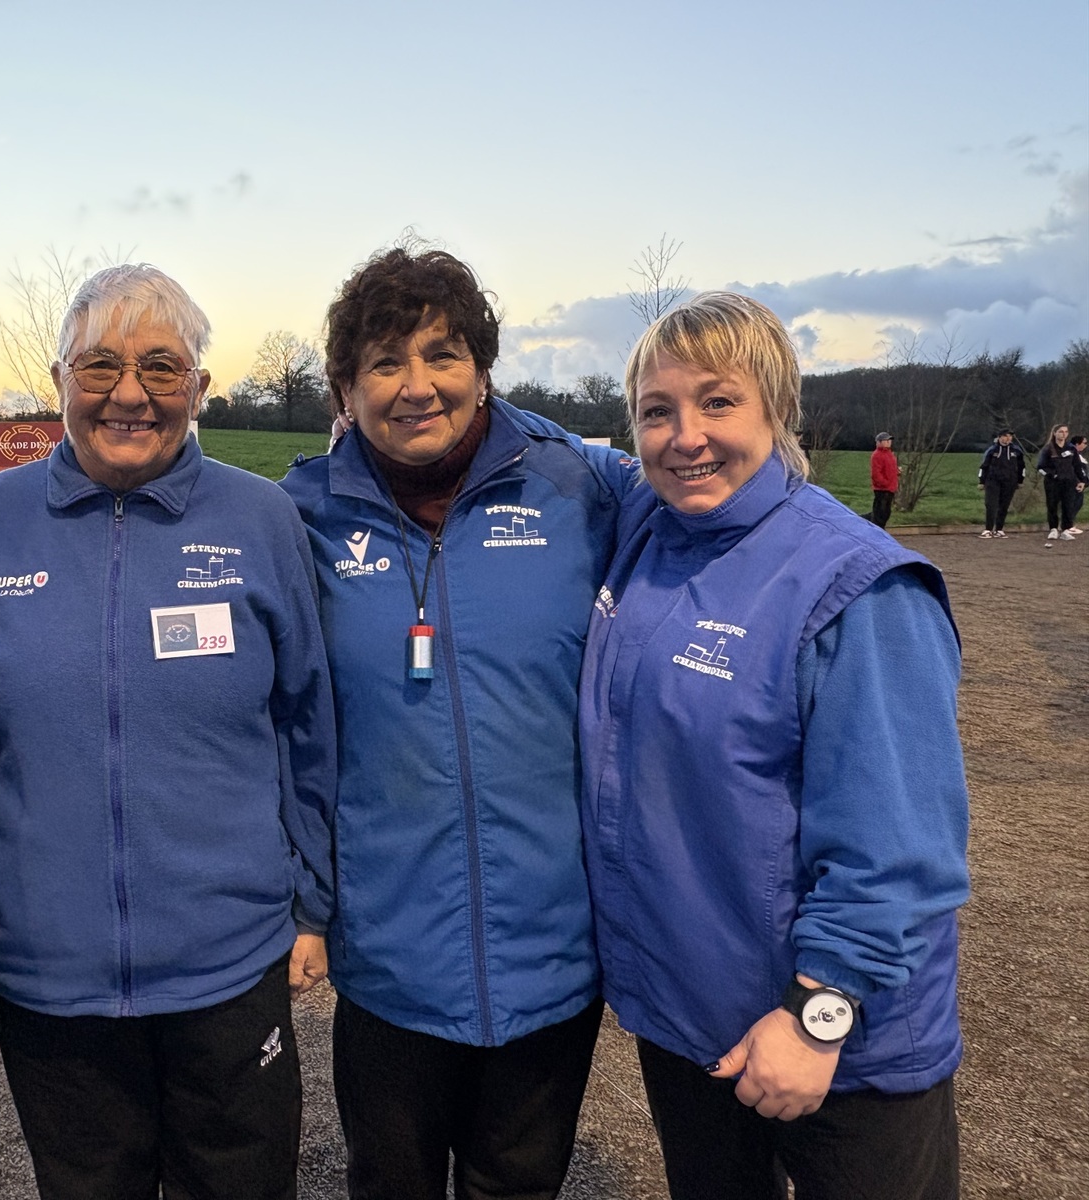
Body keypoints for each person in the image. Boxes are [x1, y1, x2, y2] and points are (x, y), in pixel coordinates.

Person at [0, 264, 335, 1200]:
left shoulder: (262, 521)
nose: (128, 393)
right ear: (59, 381)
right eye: (99, 366)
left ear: (199, 386)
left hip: (229, 961)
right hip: (49, 971)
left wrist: (313, 905)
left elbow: (307, 721)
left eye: (160, 367)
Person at [579, 292, 970, 1200]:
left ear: (778, 407)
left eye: (718, 401)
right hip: (692, 1020)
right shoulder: (649, 530)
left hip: (837, 1045)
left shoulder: (858, 585)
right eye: (657, 411)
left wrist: (817, 1012)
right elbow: (548, 449)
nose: (686, 437)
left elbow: (899, 848)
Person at [280, 246, 632, 1200]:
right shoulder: (299, 516)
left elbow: (719, 507)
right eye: (384, 362)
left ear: (482, 367)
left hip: (551, 949)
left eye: (443, 353)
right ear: (345, 389)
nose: (417, 385)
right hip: (388, 955)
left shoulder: (583, 490)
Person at [1037, 424, 1084, 544]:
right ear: (1055, 433)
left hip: (1069, 482)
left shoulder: (1071, 448)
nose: (1063, 434)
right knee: (1052, 505)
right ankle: (1053, 529)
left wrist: (1081, 481)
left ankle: (1066, 530)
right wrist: (1053, 475)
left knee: (1068, 506)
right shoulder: (1048, 449)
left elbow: (1077, 466)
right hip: (1053, 483)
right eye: (1061, 432)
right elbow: (1041, 467)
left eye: (1065, 432)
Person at [977, 428, 1026, 537]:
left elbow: (1022, 467)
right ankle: (988, 529)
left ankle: (999, 529)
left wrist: (1020, 480)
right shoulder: (992, 450)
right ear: (999, 437)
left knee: (1004, 505)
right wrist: (981, 481)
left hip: (1010, 481)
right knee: (991, 504)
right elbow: (984, 466)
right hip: (992, 480)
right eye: (1005, 436)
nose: (1008, 438)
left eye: (1010, 436)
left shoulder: (1016, 450)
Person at [868, 431, 897, 527]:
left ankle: (877, 528)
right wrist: (885, 483)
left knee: (885, 513)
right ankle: (876, 530)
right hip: (882, 489)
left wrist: (897, 471)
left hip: (890, 488)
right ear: (879, 442)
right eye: (886, 440)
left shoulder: (889, 454)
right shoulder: (877, 455)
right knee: (880, 514)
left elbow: (889, 469)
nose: (889, 442)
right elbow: (876, 474)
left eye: (889, 440)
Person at [1066, 434, 1087, 534]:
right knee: (1073, 504)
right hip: (1074, 483)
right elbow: (1074, 469)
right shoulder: (1072, 455)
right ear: (1077, 444)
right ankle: (1068, 526)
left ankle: (1069, 525)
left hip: (1080, 483)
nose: (1086, 445)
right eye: (1084, 443)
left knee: (1077, 503)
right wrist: (1078, 481)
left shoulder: (1078, 455)